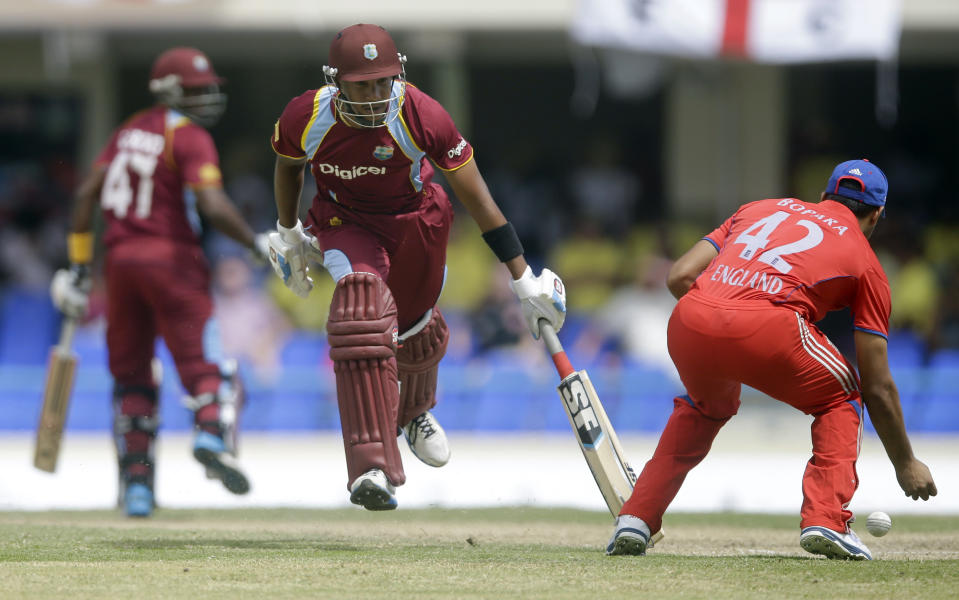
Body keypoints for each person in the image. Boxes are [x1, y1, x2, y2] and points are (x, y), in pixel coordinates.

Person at [266, 23, 566, 510]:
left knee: (414, 329)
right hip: (345, 220)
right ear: (335, 80)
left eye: (384, 82)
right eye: (362, 84)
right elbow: (288, 165)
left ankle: (415, 412)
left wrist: (522, 278)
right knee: (361, 310)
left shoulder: (421, 113)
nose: (375, 95)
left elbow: (479, 199)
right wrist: (288, 231)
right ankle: (372, 467)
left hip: (416, 221)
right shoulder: (308, 113)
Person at [606, 159, 938, 559]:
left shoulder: (758, 207)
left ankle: (636, 518)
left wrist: (718, 323)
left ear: (823, 196)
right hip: (768, 328)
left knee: (704, 408)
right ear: (877, 215)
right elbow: (878, 384)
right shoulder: (867, 262)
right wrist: (906, 463)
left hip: (690, 319)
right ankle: (827, 519)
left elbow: (679, 276)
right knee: (843, 397)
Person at [50, 47, 270, 517]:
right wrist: (254, 244)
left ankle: (137, 487)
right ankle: (211, 433)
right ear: (172, 91)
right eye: (196, 90)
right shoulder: (188, 136)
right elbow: (211, 205)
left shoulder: (126, 130)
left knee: (131, 376)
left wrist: (80, 266)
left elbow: (87, 195)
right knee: (207, 366)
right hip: (172, 261)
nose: (206, 97)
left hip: (120, 266)